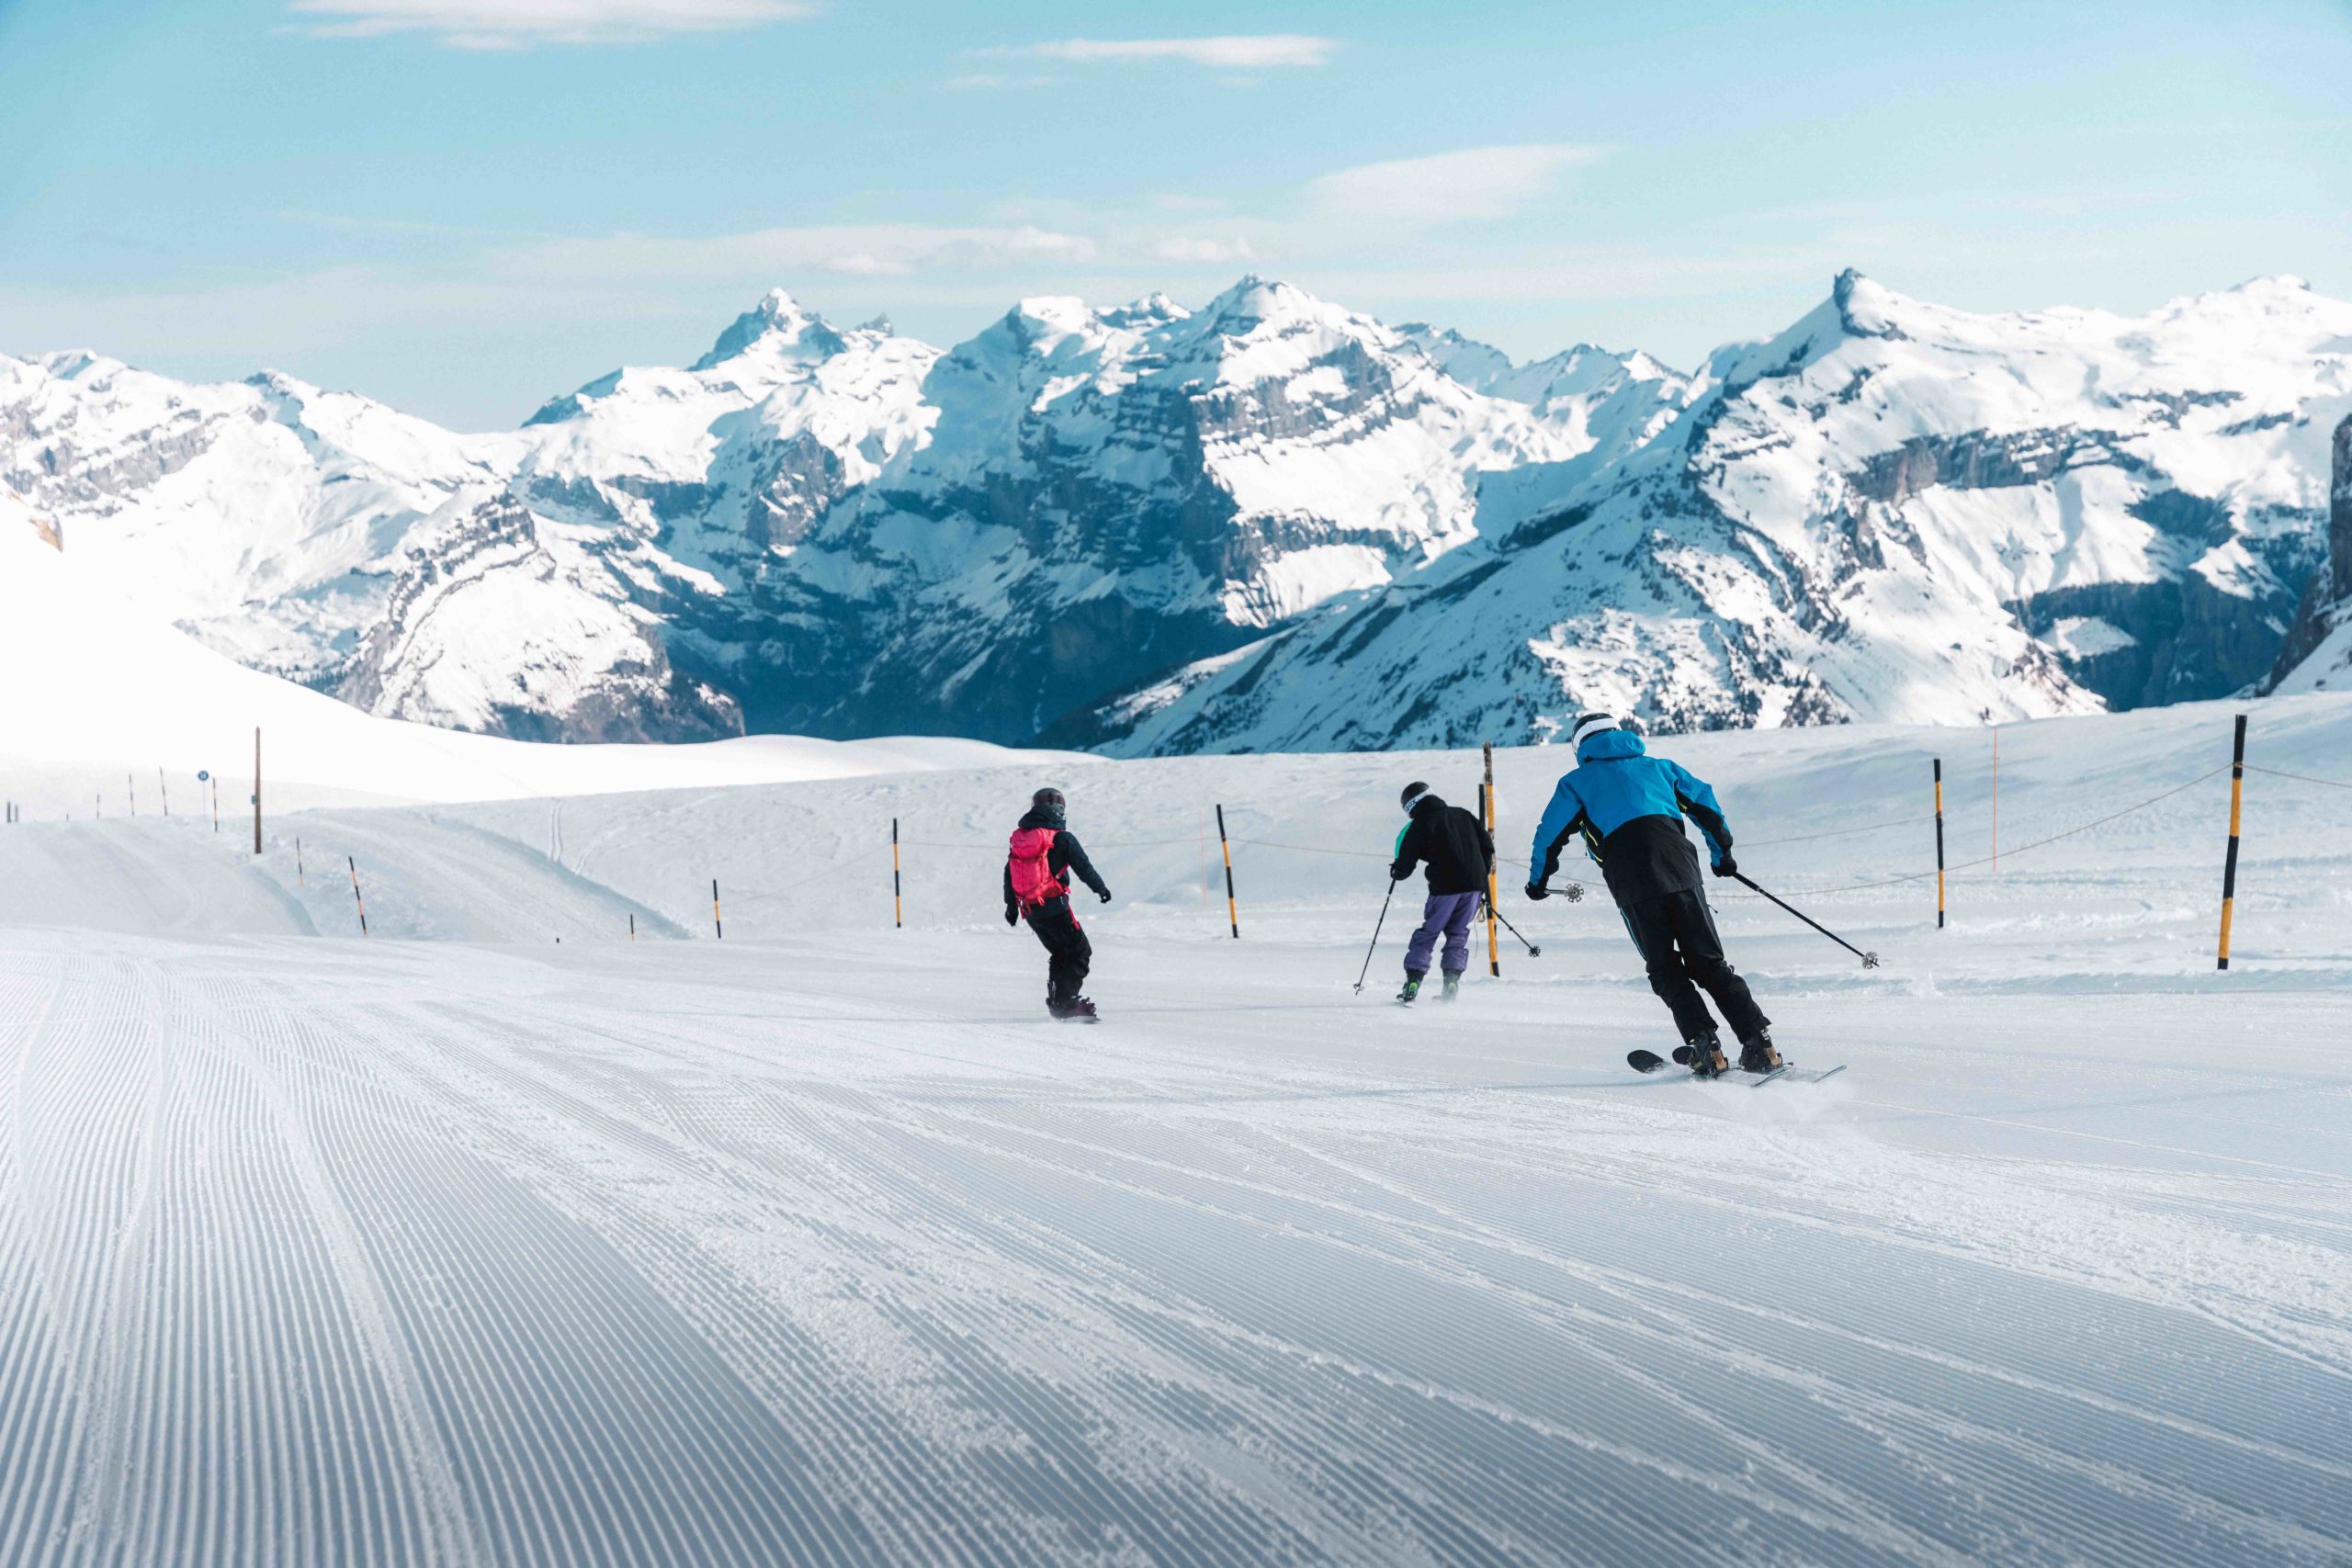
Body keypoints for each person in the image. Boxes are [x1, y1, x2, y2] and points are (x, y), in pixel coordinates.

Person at [1523, 713, 1777, 1077]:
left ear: (1580, 747)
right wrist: (1723, 857)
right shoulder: (1661, 768)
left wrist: (1537, 883)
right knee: (1709, 963)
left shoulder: (1576, 782)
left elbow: (1548, 836)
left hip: (1633, 883)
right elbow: (1707, 806)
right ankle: (1760, 1045)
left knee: (1664, 967)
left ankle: (1707, 1047)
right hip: (1682, 871)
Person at [1003, 786, 1112, 1021]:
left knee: (1060, 953)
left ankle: (1057, 1003)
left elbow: (1009, 872)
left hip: (1030, 910)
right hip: (1055, 907)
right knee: (1080, 952)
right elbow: (1083, 866)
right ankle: (1066, 1003)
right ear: (1061, 809)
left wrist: (1011, 907)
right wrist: (1100, 889)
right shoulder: (1061, 838)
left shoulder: (1022, 839)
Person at [1389, 781, 1495, 1003]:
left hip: (1445, 888)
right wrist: (1482, 881)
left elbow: (1405, 864)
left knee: (1429, 933)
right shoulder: (1464, 815)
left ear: (1412, 805)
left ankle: (1413, 982)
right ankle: (1451, 983)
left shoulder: (1420, 824)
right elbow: (1487, 846)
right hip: (1475, 887)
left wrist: (1397, 871)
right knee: (1457, 934)